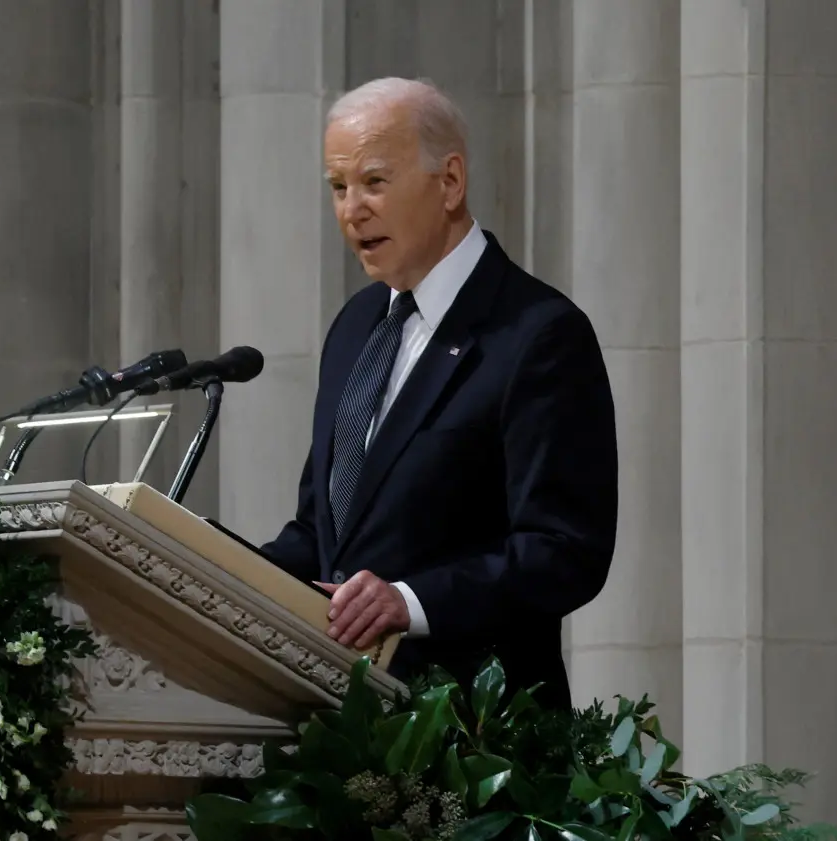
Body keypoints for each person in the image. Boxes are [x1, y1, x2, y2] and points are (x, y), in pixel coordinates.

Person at [260, 77, 617, 711]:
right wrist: (201, 566)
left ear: (450, 181)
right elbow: (322, 533)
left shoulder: (537, 333)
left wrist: (410, 601)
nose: (352, 209)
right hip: (344, 732)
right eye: (338, 188)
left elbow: (563, 552)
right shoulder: (354, 327)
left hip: (477, 737)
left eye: (373, 181)